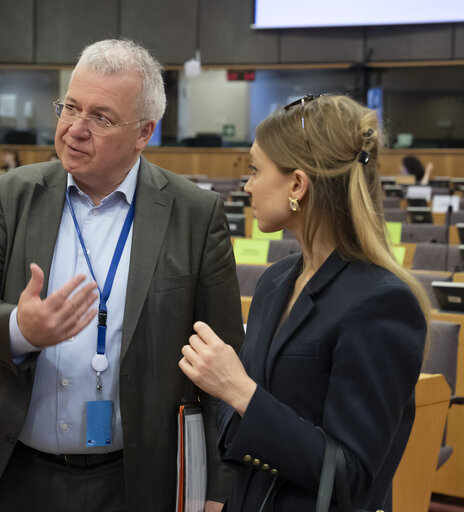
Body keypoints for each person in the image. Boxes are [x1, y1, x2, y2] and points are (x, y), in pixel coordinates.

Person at [0, 39, 244, 512]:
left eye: (101, 118)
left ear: (144, 132)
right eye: (70, 107)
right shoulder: (13, 194)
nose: (75, 129)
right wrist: (19, 329)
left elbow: (223, 359)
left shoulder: (194, 214)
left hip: (137, 481)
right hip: (17, 474)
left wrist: (217, 490)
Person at [179, 94, 430, 511]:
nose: (247, 185)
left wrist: (240, 392)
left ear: (297, 185)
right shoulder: (276, 281)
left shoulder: (382, 302)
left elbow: (351, 475)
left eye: (256, 170)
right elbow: (244, 419)